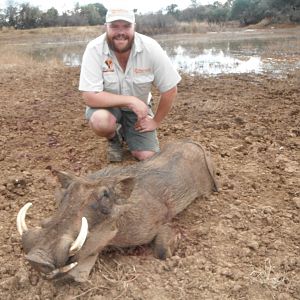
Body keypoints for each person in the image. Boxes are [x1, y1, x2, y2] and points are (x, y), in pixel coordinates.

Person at [79, 8, 181, 162]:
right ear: (106, 26)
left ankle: (129, 132)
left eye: (126, 26)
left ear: (134, 27)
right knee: (101, 121)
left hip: (138, 112)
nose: (121, 32)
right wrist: (130, 100)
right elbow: (89, 96)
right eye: (114, 26)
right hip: (107, 108)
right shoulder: (94, 49)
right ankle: (114, 138)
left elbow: (170, 89)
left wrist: (155, 121)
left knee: (147, 157)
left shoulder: (151, 48)